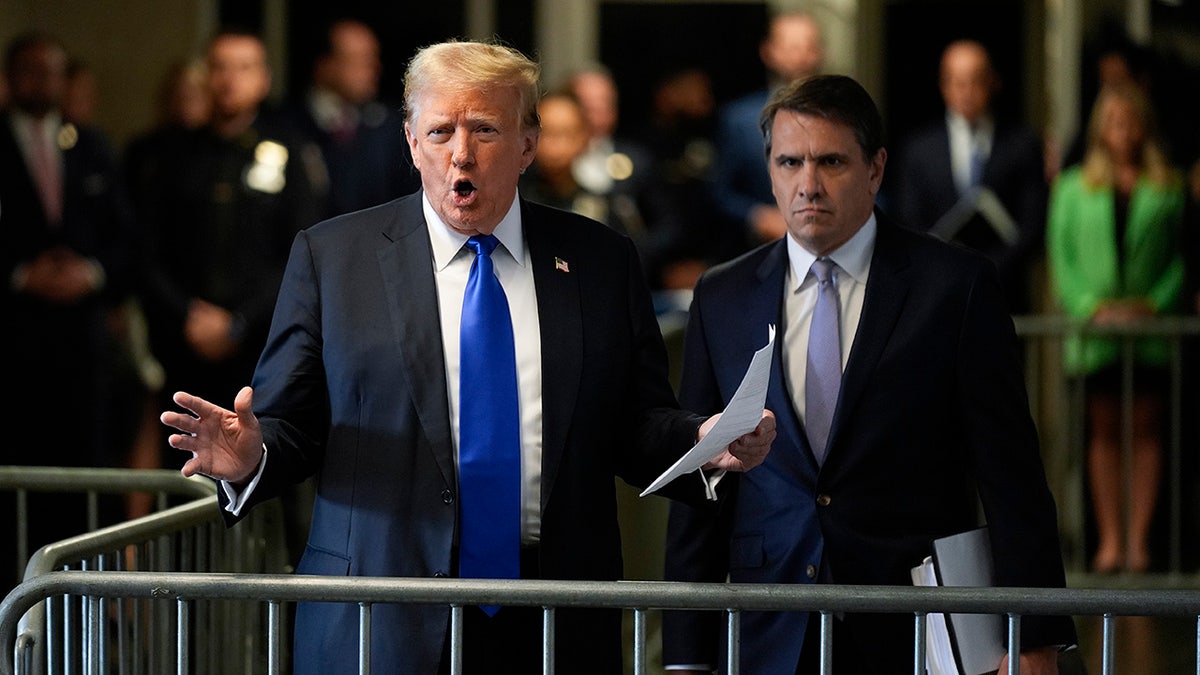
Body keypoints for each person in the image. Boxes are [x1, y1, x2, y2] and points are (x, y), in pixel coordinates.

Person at [159, 39, 776, 674]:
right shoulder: (332, 258)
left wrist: (706, 442)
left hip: (552, 616)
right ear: (410, 142)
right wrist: (249, 457)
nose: (461, 152)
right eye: (440, 130)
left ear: (528, 144)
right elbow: (294, 424)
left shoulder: (600, 260)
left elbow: (635, 420)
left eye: (484, 128)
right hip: (381, 614)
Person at [661, 74, 1076, 674]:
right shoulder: (722, 296)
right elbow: (700, 488)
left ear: (876, 169)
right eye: (790, 161)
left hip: (912, 622)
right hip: (768, 625)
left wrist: (1034, 636)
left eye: (831, 161)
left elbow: (1010, 475)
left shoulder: (954, 287)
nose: (808, 184)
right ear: (770, 170)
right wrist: (685, 658)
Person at [0, 31, 137, 590]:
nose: (42, 82)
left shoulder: (90, 145)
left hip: (82, 349)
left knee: (84, 480)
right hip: (13, 345)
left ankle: (85, 609)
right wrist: (21, 274)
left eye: (52, 71)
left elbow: (128, 238)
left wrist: (92, 272)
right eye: (30, 71)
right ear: (11, 77)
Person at [1046, 80, 1186, 575]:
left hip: (1150, 332)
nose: (1122, 131)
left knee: (1147, 432)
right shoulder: (1073, 186)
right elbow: (1061, 257)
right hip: (1095, 333)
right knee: (1103, 433)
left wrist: (1153, 305)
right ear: (1100, 128)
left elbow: (1181, 259)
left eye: (1130, 122)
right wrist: (1091, 307)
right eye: (1113, 122)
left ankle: (1139, 541)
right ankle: (1109, 540)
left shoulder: (1166, 186)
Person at [891, 38, 1048, 314]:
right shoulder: (919, 149)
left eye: (976, 80)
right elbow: (908, 220)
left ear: (993, 82)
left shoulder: (1021, 145)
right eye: (958, 82)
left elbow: (1032, 224)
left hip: (1005, 295)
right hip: (937, 293)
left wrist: (988, 270)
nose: (967, 91)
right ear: (944, 85)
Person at [709, 9, 824, 256]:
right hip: (759, 254)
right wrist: (757, 216)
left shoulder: (843, 117)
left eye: (808, 46)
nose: (800, 56)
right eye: (791, 46)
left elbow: (873, 191)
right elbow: (718, 193)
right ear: (769, 51)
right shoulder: (739, 119)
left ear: (819, 52)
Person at [289, 17, 419, 219]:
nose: (373, 69)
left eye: (373, 58)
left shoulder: (389, 128)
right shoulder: (288, 127)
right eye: (359, 60)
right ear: (325, 65)